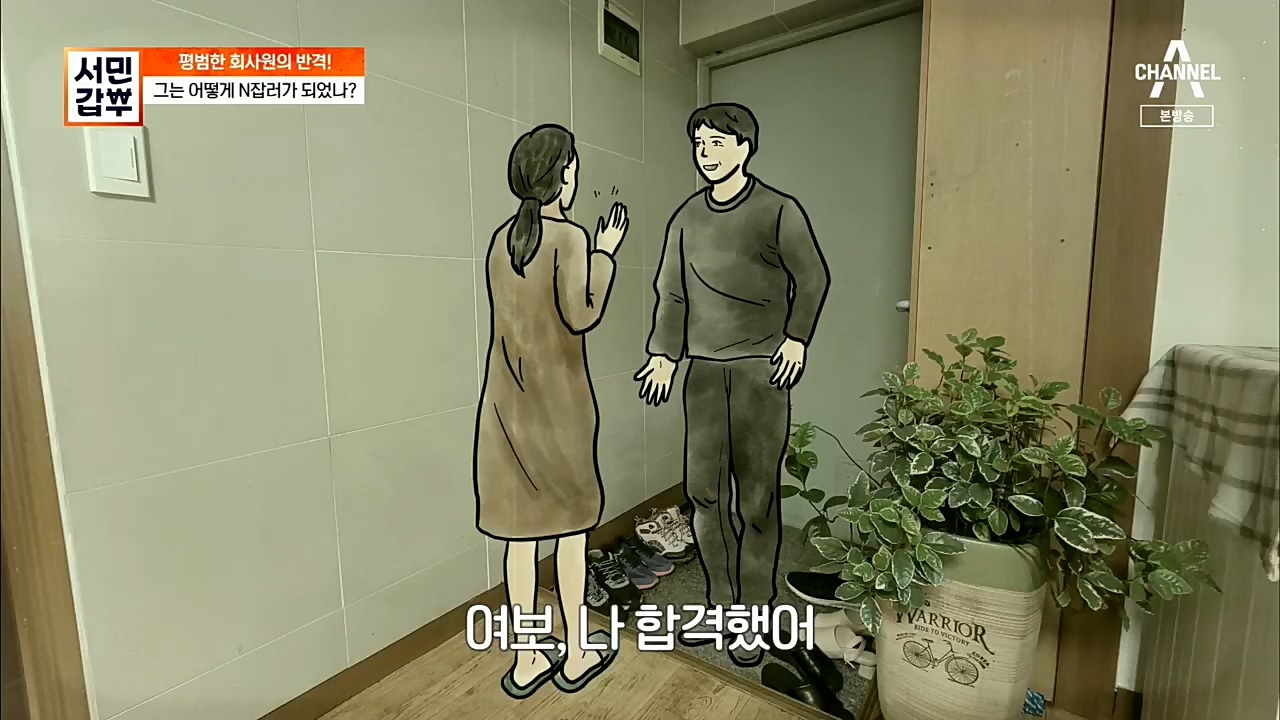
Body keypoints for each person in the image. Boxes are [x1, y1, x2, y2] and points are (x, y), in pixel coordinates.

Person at [635, 103, 831, 667]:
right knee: (704, 495)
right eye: (700, 143)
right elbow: (672, 293)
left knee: (757, 500)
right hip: (702, 374)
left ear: (745, 147)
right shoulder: (686, 217)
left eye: (718, 143)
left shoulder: (777, 210)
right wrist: (663, 354)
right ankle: (720, 604)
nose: (707, 153)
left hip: (759, 373)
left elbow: (812, 277)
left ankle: (753, 611)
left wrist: (796, 339)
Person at [473, 123, 629, 699]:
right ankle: (578, 650)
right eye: (574, 168)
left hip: (505, 409)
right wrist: (604, 255)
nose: (576, 177)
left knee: (520, 538)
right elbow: (581, 314)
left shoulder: (502, 240)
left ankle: (527, 657)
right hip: (559, 409)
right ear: (562, 176)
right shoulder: (569, 237)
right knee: (570, 532)